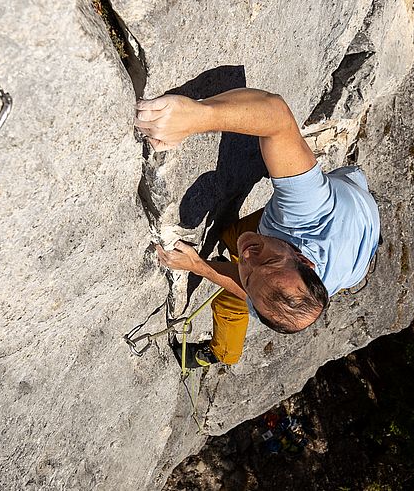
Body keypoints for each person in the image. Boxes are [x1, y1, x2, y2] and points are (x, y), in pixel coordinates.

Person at [135, 88, 380, 367]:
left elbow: (248, 288)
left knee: (230, 298)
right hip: (351, 218)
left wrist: (198, 266)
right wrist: (196, 116)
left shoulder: (278, 291)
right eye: (270, 261)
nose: (248, 257)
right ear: (304, 260)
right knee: (242, 238)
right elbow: (276, 116)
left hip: (353, 251)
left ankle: (222, 353)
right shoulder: (307, 211)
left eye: (249, 277)